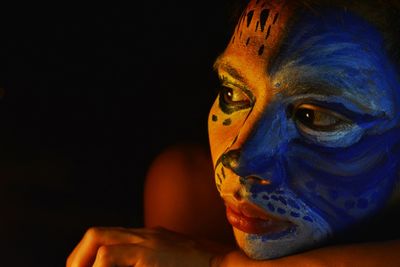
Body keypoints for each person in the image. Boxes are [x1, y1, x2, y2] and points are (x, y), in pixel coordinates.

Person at [66, 0, 400, 266]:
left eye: (314, 117)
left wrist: (221, 264)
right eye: (233, 95)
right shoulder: (191, 190)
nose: (240, 161)